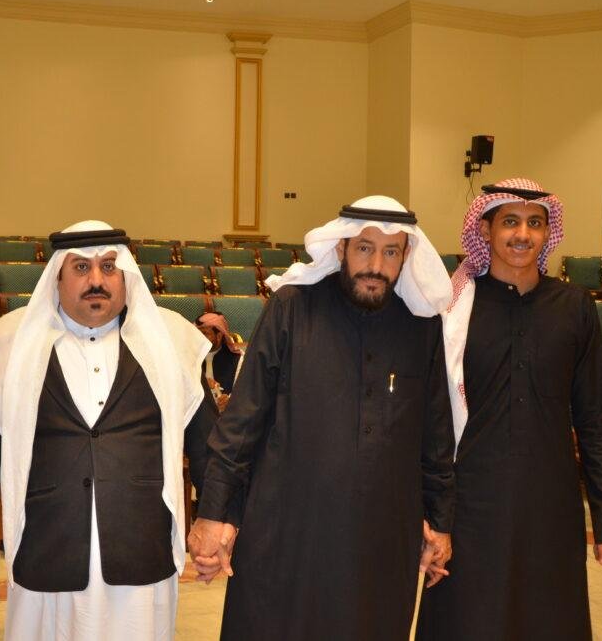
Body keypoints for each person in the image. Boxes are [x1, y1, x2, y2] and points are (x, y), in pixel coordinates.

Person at [189, 196, 457, 640]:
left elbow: (436, 435)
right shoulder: (292, 308)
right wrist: (214, 512)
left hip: (381, 539)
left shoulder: (421, 325)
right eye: (365, 248)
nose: (376, 265)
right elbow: (242, 422)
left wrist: (440, 521)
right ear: (341, 247)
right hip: (287, 533)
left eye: (391, 252)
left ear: (405, 256)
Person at [0, 220, 217, 641]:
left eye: (109, 267)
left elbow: (207, 446)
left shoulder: (170, 341)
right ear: (57, 277)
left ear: (125, 276)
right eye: (81, 267)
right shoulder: (12, 342)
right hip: (47, 546)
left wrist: (213, 519)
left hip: (140, 546)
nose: (97, 280)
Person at [418, 178, 602, 641]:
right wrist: (431, 512)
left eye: (535, 223)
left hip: (550, 501)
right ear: (486, 229)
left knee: (547, 619)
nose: (523, 234)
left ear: (547, 233)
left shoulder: (573, 307)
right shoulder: (454, 308)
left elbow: (596, 417)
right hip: (470, 502)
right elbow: (431, 420)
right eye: (510, 222)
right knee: (467, 621)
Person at [194, 311, 245, 411]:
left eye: (205, 333)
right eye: (198, 333)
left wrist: (229, 402)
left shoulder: (237, 359)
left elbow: (242, 393)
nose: (200, 337)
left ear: (219, 335)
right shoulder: (191, 358)